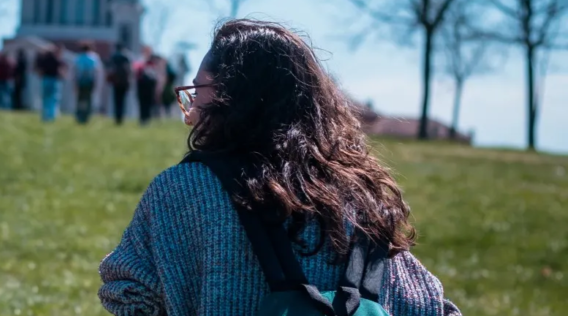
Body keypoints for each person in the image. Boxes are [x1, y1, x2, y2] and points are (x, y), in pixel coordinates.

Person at [99, 19, 460, 315]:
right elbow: (430, 307)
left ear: (231, 97)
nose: (190, 114)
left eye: (197, 92)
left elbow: (129, 293)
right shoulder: (361, 199)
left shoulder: (182, 189)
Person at [72, 42, 101, 124]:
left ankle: (79, 116)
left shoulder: (78, 58)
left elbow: (75, 72)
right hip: (90, 82)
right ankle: (86, 116)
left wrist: (74, 84)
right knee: (88, 99)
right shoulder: (94, 58)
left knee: (80, 100)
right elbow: (96, 71)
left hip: (80, 82)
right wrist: (96, 83)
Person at [35, 45, 63, 122]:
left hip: (45, 79)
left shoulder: (44, 59)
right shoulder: (55, 59)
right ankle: (51, 116)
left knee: (45, 99)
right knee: (53, 98)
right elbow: (60, 69)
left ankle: (45, 116)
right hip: (54, 80)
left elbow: (40, 70)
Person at [134, 47, 160, 126]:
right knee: (142, 103)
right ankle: (142, 119)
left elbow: (155, 74)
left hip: (149, 86)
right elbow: (136, 71)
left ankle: (146, 119)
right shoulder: (140, 61)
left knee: (148, 103)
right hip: (142, 85)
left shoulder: (152, 62)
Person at [106, 44, 132, 125]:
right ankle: (121, 118)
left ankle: (117, 118)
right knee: (123, 101)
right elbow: (129, 70)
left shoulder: (114, 56)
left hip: (116, 81)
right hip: (124, 82)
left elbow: (109, 68)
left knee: (116, 100)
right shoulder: (126, 56)